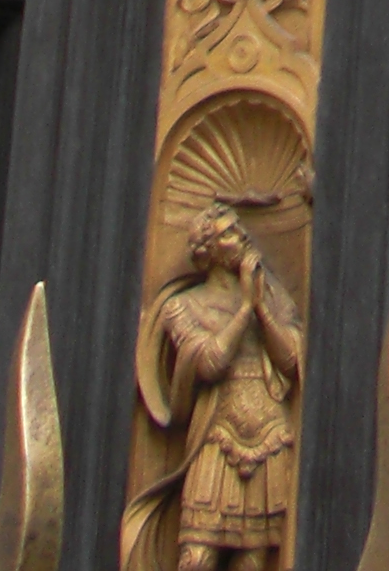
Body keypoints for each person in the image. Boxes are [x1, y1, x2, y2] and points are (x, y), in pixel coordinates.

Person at [131, 210, 305, 571]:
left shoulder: (272, 298)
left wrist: (261, 309)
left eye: (239, 229)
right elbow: (211, 364)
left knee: (252, 561)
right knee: (196, 558)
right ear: (208, 250)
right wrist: (244, 310)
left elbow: (291, 361)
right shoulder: (183, 307)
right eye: (229, 233)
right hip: (216, 436)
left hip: (270, 436)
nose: (242, 236)